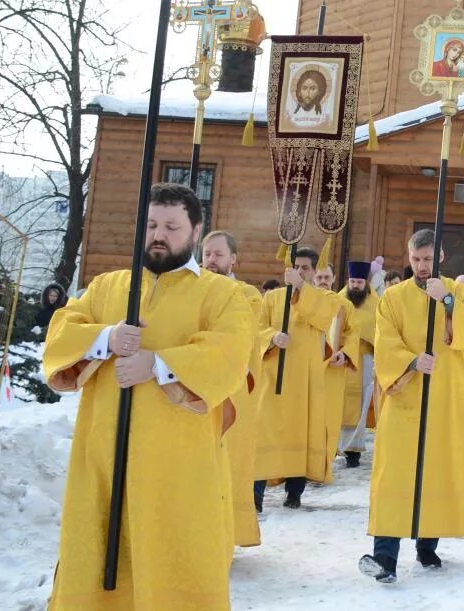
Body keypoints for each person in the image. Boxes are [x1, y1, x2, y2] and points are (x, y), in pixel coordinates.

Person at [42, 182, 251, 609]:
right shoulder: (107, 288)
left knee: (177, 551)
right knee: (101, 553)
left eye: (172, 226)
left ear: (195, 232)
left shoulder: (220, 294)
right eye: (152, 224)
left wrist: (157, 364)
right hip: (104, 456)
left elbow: (230, 352)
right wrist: (106, 338)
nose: (159, 234)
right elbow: (61, 333)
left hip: (178, 465)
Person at [360, 229, 464, 584]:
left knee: (436, 469)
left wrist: (446, 301)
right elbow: (385, 341)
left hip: (446, 395)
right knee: (394, 475)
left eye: (428, 260)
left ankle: (427, 545)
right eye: (416, 260)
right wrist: (411, 362)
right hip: (406, 397)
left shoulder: (458, 291)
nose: (421, 266)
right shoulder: (393, 298)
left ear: (441, 258)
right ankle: (385, 557)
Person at [252, 245, 343, 510]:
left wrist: (301, 289)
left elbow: (323, 319)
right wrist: (271, 336)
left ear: (314, 272)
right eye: (296, 266)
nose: (299, 271)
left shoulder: (325, 299)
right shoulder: (272, 298)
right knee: (264, 433)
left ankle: (294, 491)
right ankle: (255, 492)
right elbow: (256, 327)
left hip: (305, 382)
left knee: (300, 434)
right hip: (273, 377)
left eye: (305, 268)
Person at [201, 230, 269, 548]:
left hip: (233, 393)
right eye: (206, 254)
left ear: (233, 259)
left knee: (229, 466)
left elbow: (243, 327)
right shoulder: (191, 290)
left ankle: (226, 536)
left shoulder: (248, 294)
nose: (211, 260)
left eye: (217, 254)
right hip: (197, 389)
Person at [315, 263, 362, 474]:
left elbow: (353, 334)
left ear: (334, 278)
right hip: (308, 370)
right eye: (319, 277)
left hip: (333, 370)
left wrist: (345, 353)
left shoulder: (344, 306)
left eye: (327, 277)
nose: (323, 281)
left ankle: (324, 460)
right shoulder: (304, 303)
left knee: (329, 416)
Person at [339, 262, 379, 468]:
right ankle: (334, 446)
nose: (355, 286)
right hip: (342, 360)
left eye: (359, 282)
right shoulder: (339, 299)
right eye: (353, 281)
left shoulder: (375, 303)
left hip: (364, 360)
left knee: (361, 404)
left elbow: (378, 330)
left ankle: (353, 451)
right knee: (338, 403)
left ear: (366, 282)